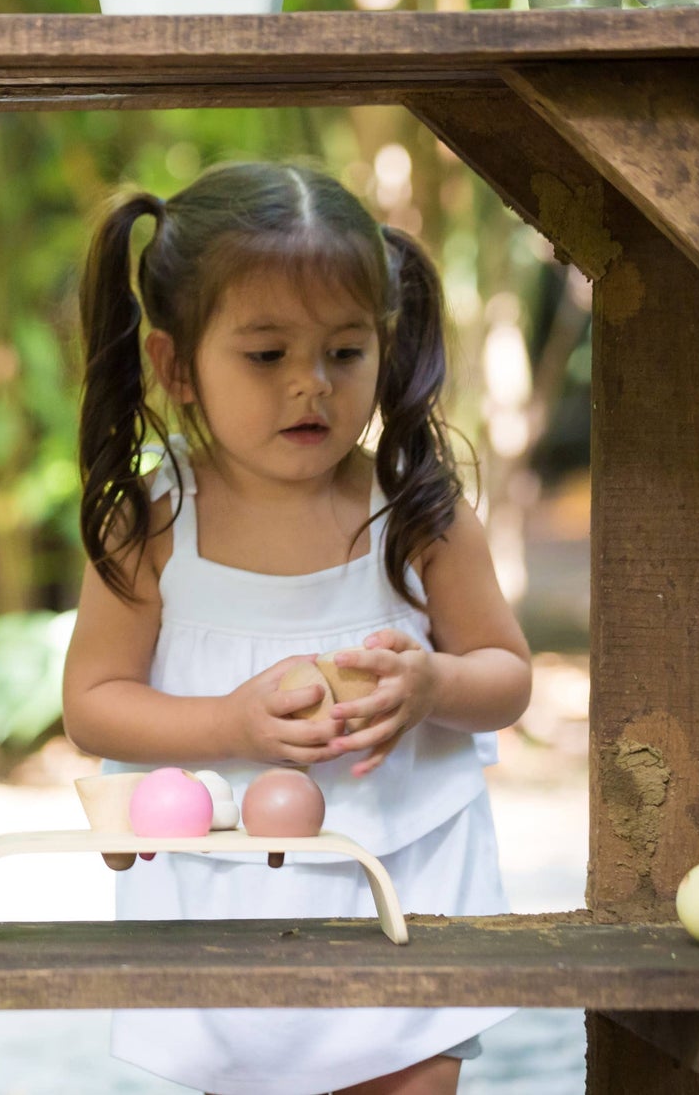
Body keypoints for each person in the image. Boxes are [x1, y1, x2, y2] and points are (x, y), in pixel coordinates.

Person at [61, 162, 533, 1095]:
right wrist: (229, 726)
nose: (311, 386)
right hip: (222, 901)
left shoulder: (417, 512)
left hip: (401, 885)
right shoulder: (155, 523)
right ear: (175, 367)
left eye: (346, 353)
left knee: (413, 1079)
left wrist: (436, 685)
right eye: (267, 355)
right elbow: (93, 705)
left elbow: (508, 675)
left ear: (384, 349)